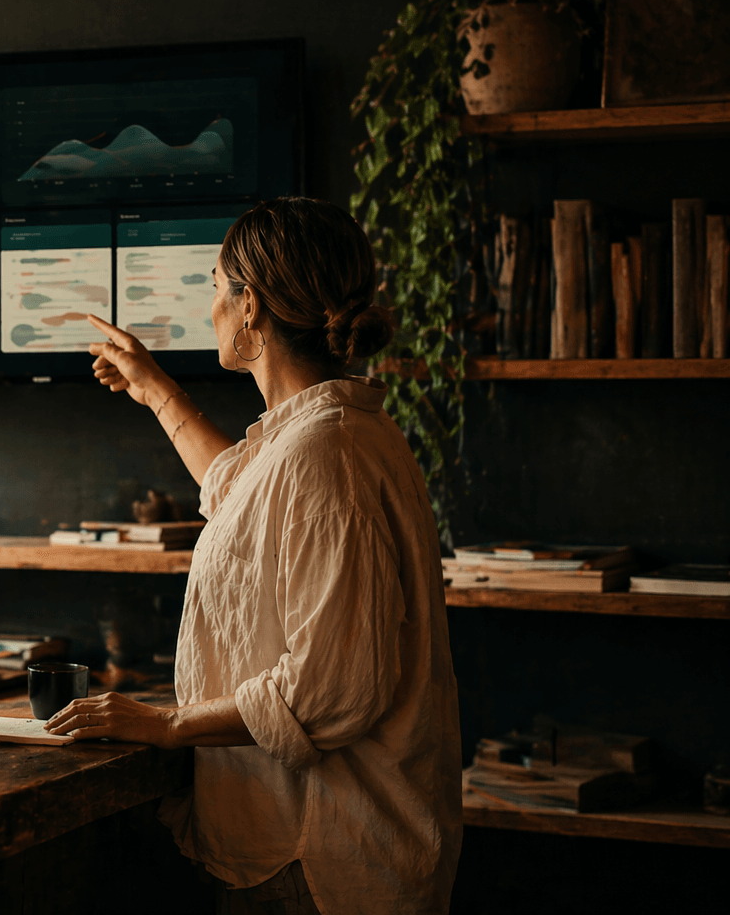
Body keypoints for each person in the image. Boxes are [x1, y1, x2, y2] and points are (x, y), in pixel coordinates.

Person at [45, 198, 461, 914]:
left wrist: (164, 723)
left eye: (215, 286)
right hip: (302, 848)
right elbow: (237, 492)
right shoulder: (320, 434)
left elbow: (330, 691)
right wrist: (153, 388)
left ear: (252, 307)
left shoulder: (326, 455)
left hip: (318, 860)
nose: (209, 305)